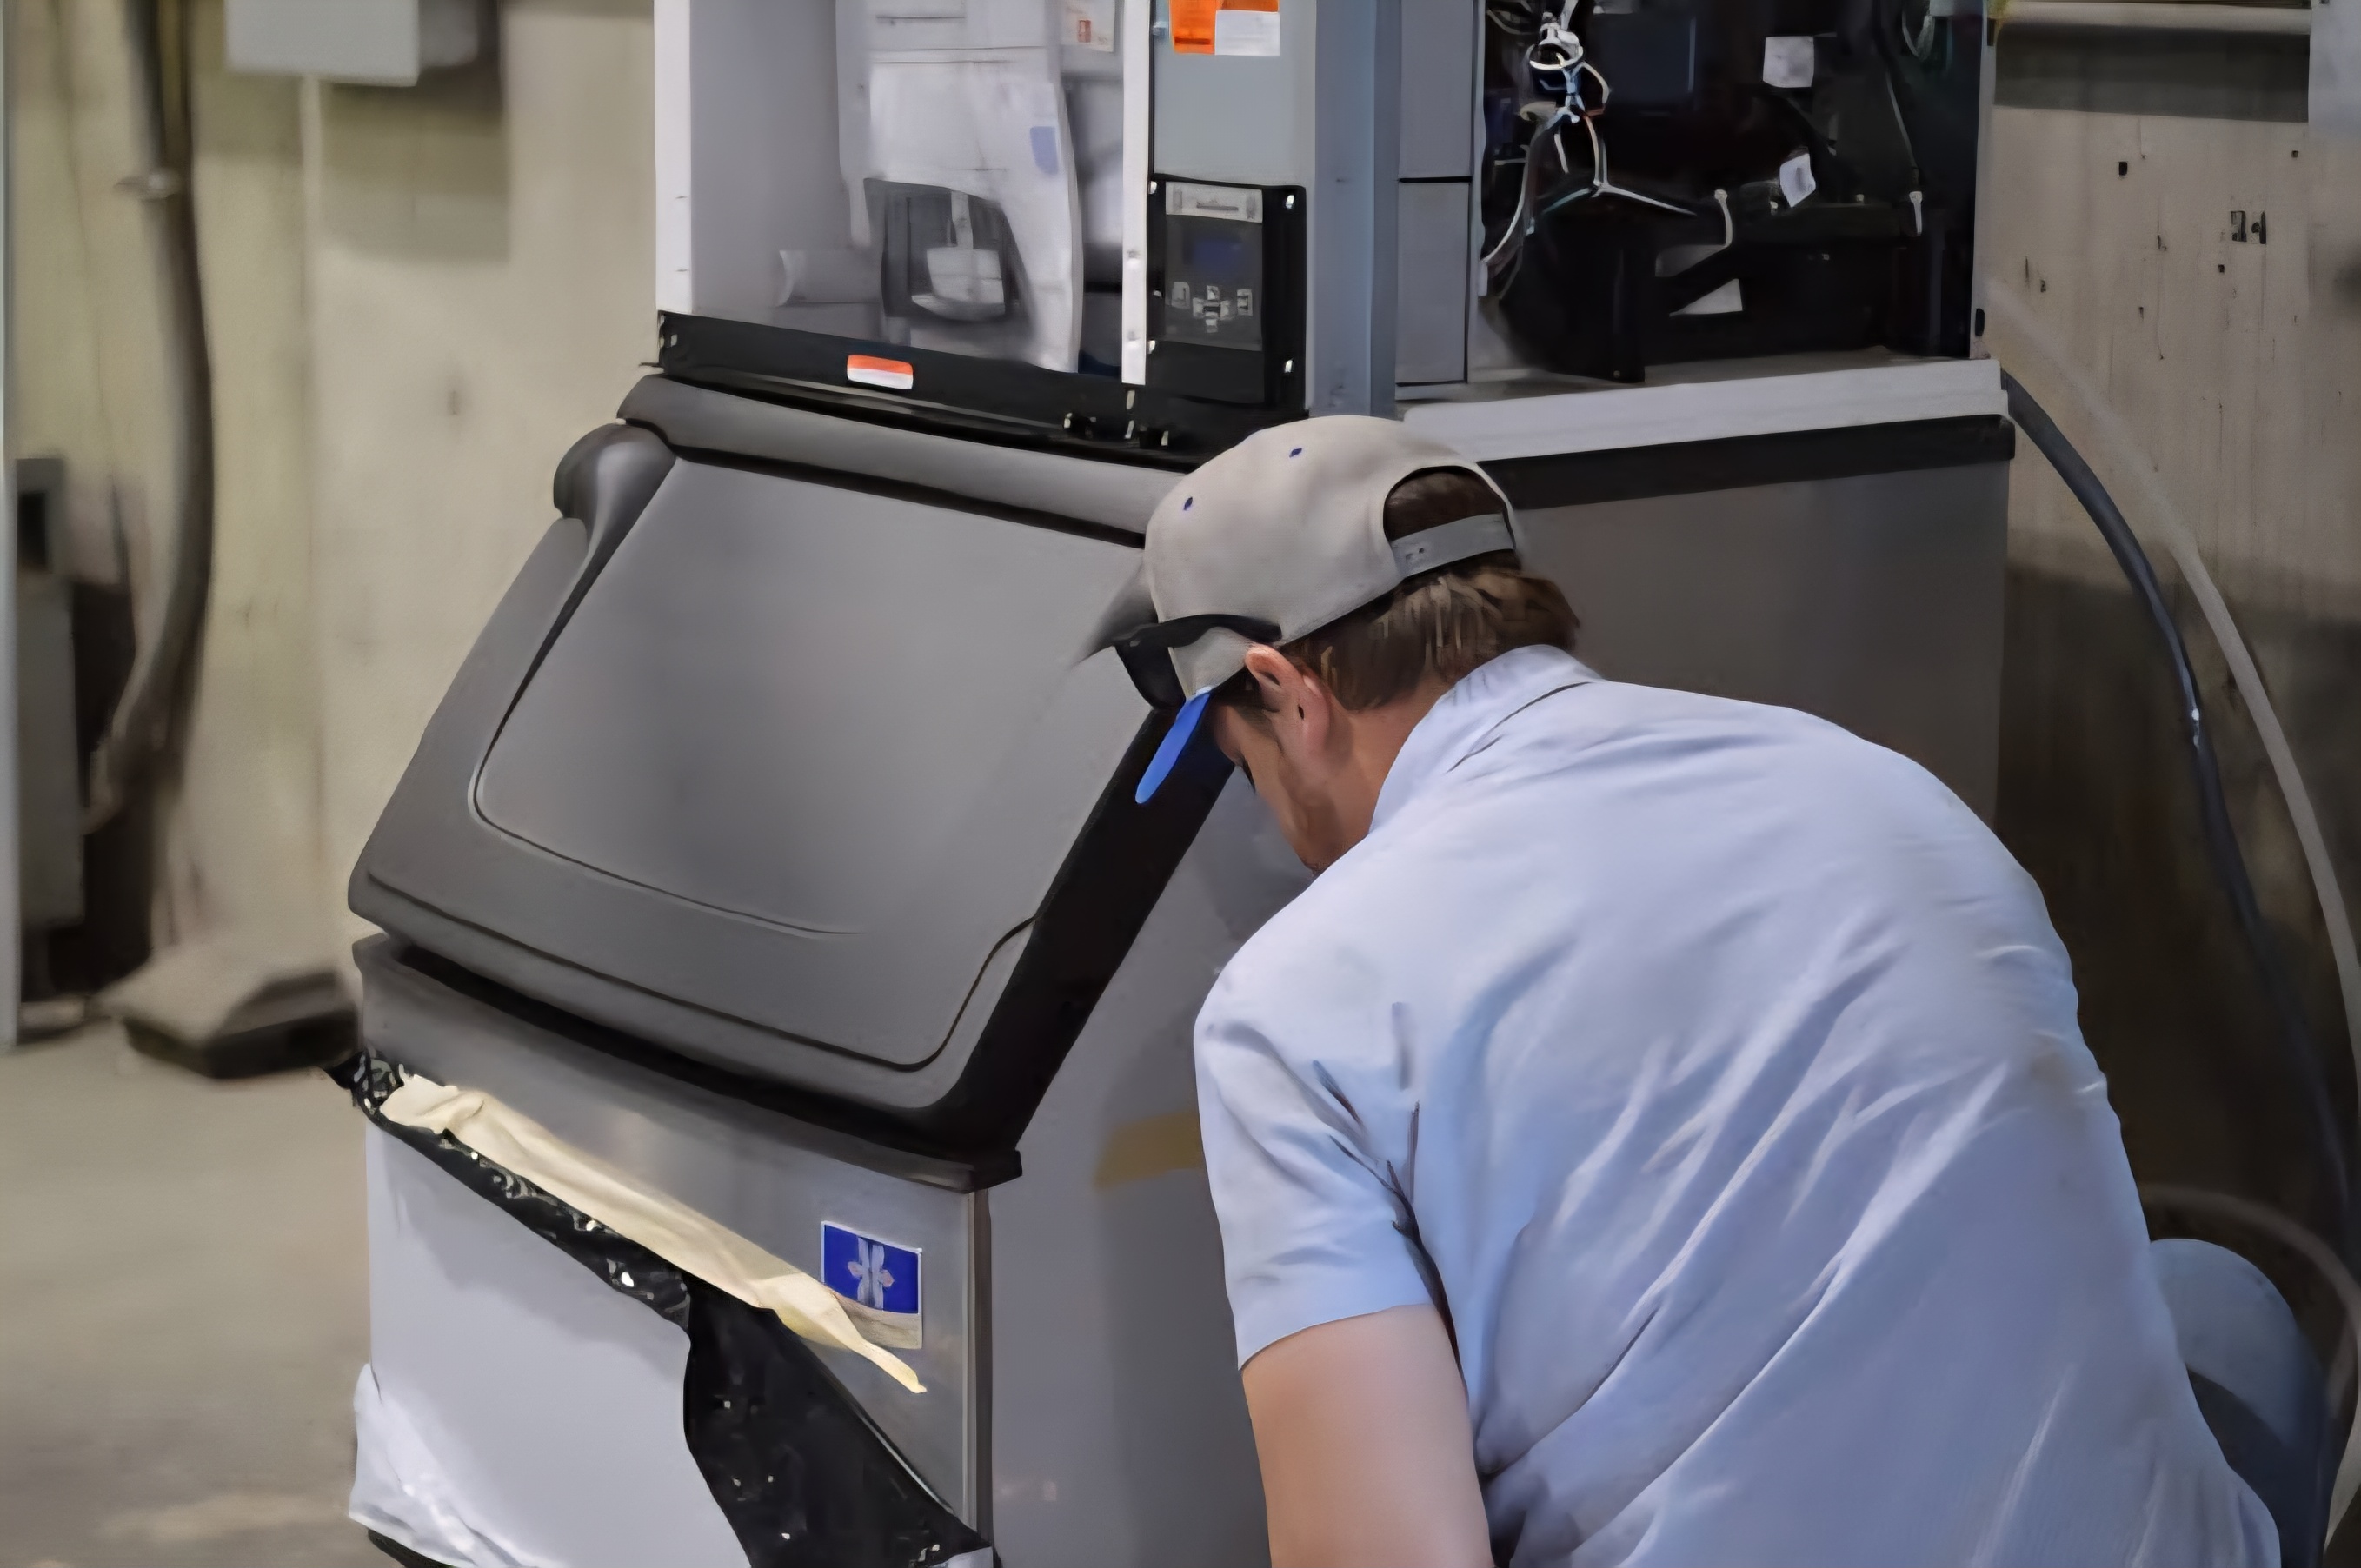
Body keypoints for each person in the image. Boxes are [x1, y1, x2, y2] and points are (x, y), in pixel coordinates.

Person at [1120, 416, 2275, 1568]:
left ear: (1289, 692)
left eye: (1246, 765)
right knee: (2221, 1307)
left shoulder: (1292, 1008)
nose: (1276, 820)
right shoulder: (1890, 796)